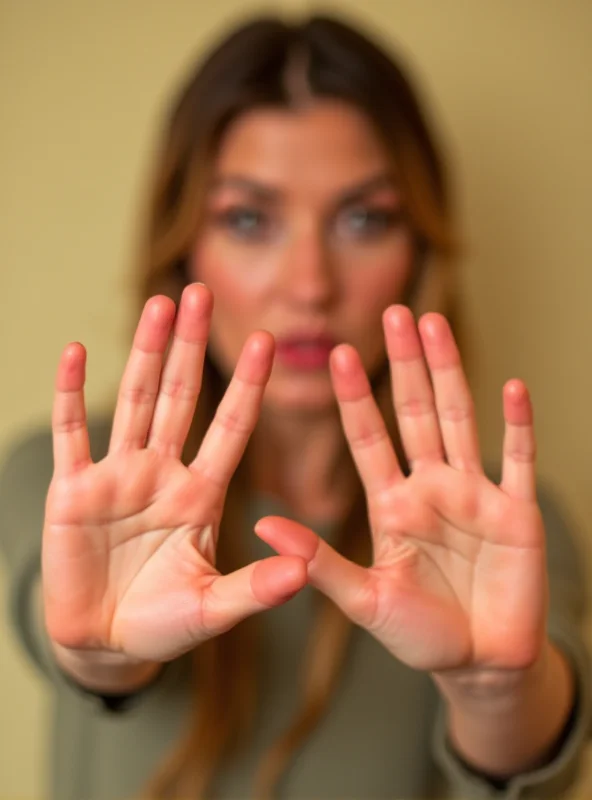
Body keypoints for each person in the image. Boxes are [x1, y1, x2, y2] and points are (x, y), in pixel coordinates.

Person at [0, 12, 590, 800]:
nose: (310, 282)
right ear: (186, 248)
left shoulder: (501, 528)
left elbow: (530, 757)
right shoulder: (68, 482)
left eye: (363, 219)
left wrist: (493, 686)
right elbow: (72, 634)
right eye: (250, 219)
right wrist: (99, 648)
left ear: (417, 250)